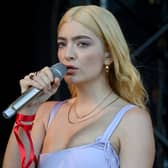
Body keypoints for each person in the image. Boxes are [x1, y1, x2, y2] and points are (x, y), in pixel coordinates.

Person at [2, 5, 155, 168]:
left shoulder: (132, 119)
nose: (68, 54)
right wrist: (27, 111)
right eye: (62, 44)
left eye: (82, 44)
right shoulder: (45, 113)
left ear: (108, 54)